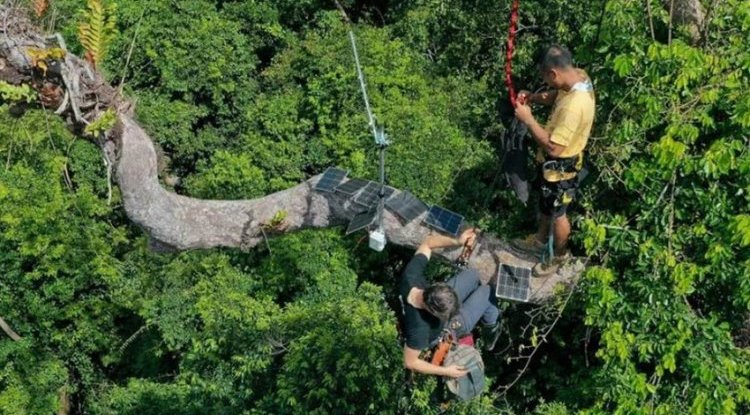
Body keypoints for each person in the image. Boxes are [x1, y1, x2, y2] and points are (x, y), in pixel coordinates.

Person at [512, 44, 596, 276]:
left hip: (561, 170)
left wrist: (528, 120)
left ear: (553, 73)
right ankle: (539, 240)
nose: (547, 84)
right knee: (547, 204)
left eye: (546, 79)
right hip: (551, 169)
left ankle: (559, 255)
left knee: (558, 214)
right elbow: (555, 95)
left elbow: (554, 147)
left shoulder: (574, 107)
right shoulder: (579, 76)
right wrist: (534, 98)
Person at [400, 228, 500, 378]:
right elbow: (410, 362)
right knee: (487, 292)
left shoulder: (410, 278)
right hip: (446, 329)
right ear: (433, 312)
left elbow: (427, 244)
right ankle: (490, 336)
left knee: (473, 274)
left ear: (435, 287)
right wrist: (446, 371)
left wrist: (457, 241)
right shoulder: (419, 330)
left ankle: (480, 309)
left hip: (440, 303)